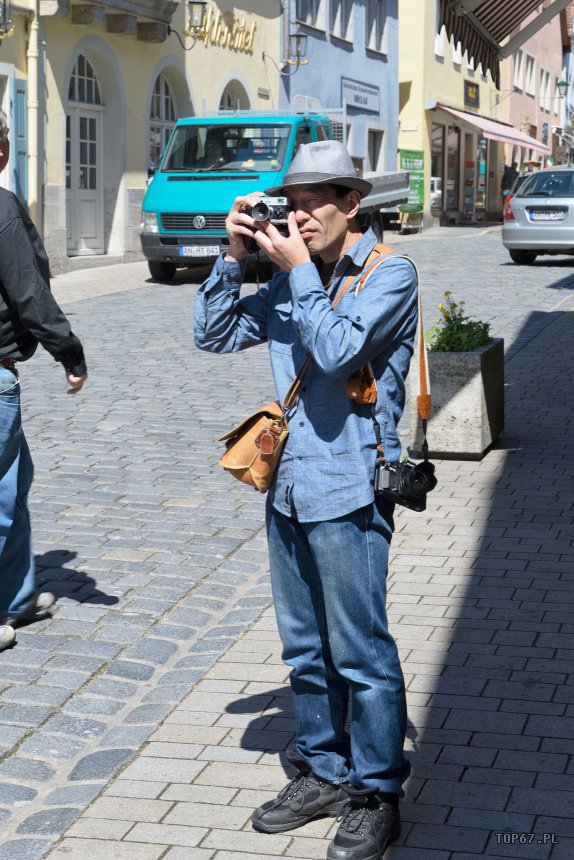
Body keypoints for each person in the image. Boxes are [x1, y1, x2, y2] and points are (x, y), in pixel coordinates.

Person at [194, 140, 417, 860]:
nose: (299, 214)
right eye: (290, 202)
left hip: (350, 491)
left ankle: (377, 792)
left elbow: (335, 352)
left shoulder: (390, 274)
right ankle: (324, 770)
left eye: (314, 200)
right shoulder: (299, 275)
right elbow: (214, 333)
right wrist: (233, 257)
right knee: (306, 652)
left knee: (362, 654)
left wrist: (296, 277)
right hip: (288, 489)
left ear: (352, 203)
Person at [0, 109, 88, 653]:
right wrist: (69, 353)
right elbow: (28, 292)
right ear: (4, 152)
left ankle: (16, 596)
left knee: (17, 478)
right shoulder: (1, 208)